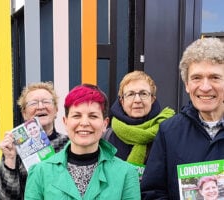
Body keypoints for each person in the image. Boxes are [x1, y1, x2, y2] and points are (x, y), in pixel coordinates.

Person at [141, 37, 224, 199]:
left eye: (215, 77)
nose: (205, 87)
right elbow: (153, 193)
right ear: (187, 84)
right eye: (196, 78)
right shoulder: (168, 132)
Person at [24, 84, 141, 199]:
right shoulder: (40, 172)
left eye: (93, 116)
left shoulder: (126, 173)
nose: (84, 123)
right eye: (77, 116)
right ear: (65, 122)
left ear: (105, 124)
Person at [0, 82, 69, 200]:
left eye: (46, 101)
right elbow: (7, 197)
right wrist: (10, 159)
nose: (41, 106)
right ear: (24, 113)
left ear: (56, 110)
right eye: (33, 103)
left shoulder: (69, 144)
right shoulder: (14, 149)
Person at [103, 71, 175, 166]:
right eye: (130, 94)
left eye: (143, 94)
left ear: (152, 99)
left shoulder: (168, 134)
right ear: (122, 101)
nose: (137, 100)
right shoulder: (105, 138)